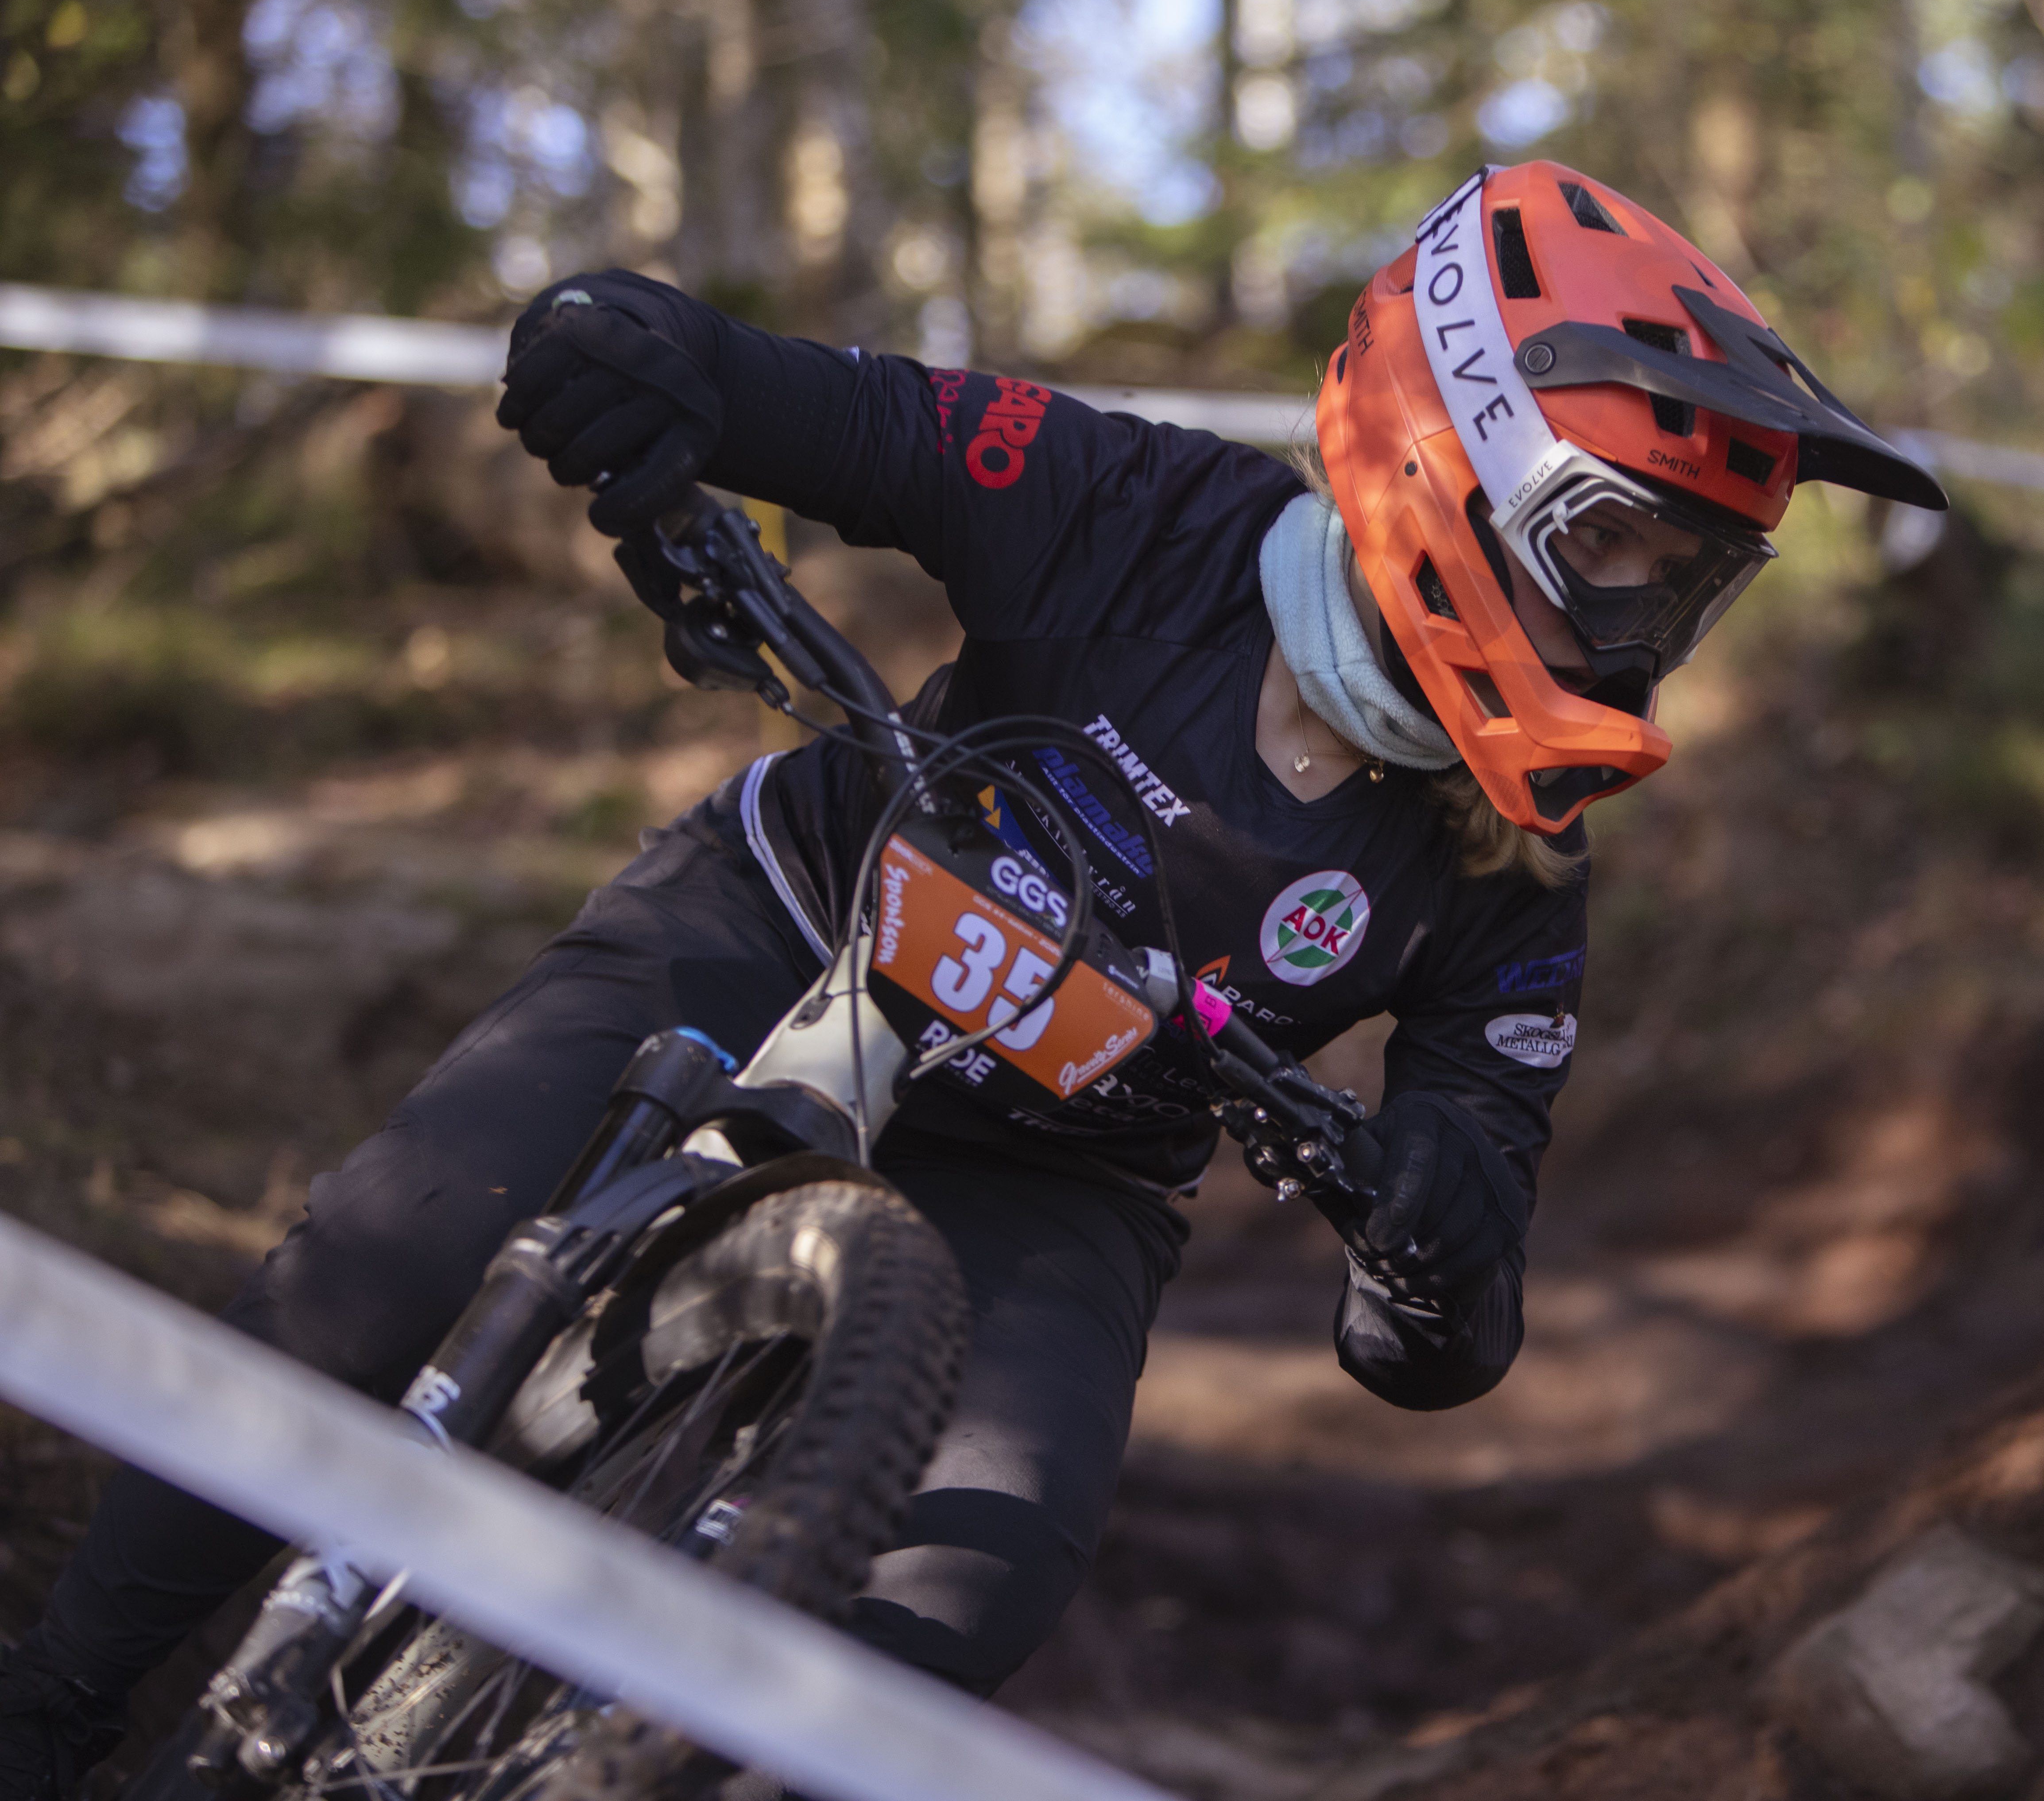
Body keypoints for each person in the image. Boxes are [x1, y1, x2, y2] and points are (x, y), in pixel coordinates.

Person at [0, 160, 1940, 1796]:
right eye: (1620, 550)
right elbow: (809, 410)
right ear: (1457, 455)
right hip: (792, 921)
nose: (1647, 635)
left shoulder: (1516, 875)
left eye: (1694, 583)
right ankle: (61, 1703)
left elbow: (1444, 1325)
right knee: (391, 1252)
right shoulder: (1137, 512)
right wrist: (627, 345)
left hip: (1065, 1169)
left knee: (966, 1579)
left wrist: (1436, 1239)